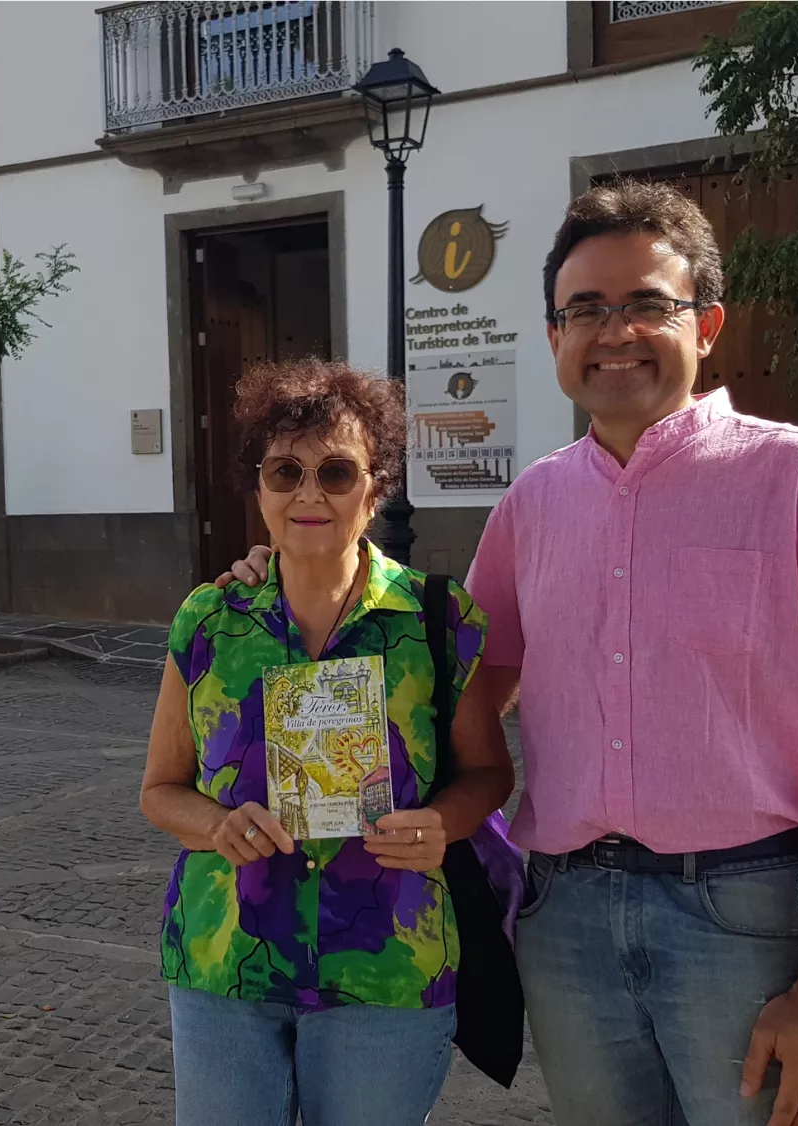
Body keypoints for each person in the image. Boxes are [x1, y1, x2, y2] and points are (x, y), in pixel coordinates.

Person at [223, 181, 798, 1126]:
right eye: (586, 310)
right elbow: (453, 684)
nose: (615, 332)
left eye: (647, 304)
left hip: (744, 914)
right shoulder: (533, 505)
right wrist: (301, 563)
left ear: (708, 323)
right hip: (567, 922)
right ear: (555, 335)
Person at [141, 358, 516, 1126]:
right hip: (227, 965)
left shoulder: (436, 621)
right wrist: (216, 825)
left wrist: (444, 823)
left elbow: (487, 774)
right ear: (260, 488)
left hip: (385, 969)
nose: (308, 494)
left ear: (375, 487)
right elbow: (160, 789)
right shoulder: (209, 620)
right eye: (286, 471)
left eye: (336, 472)